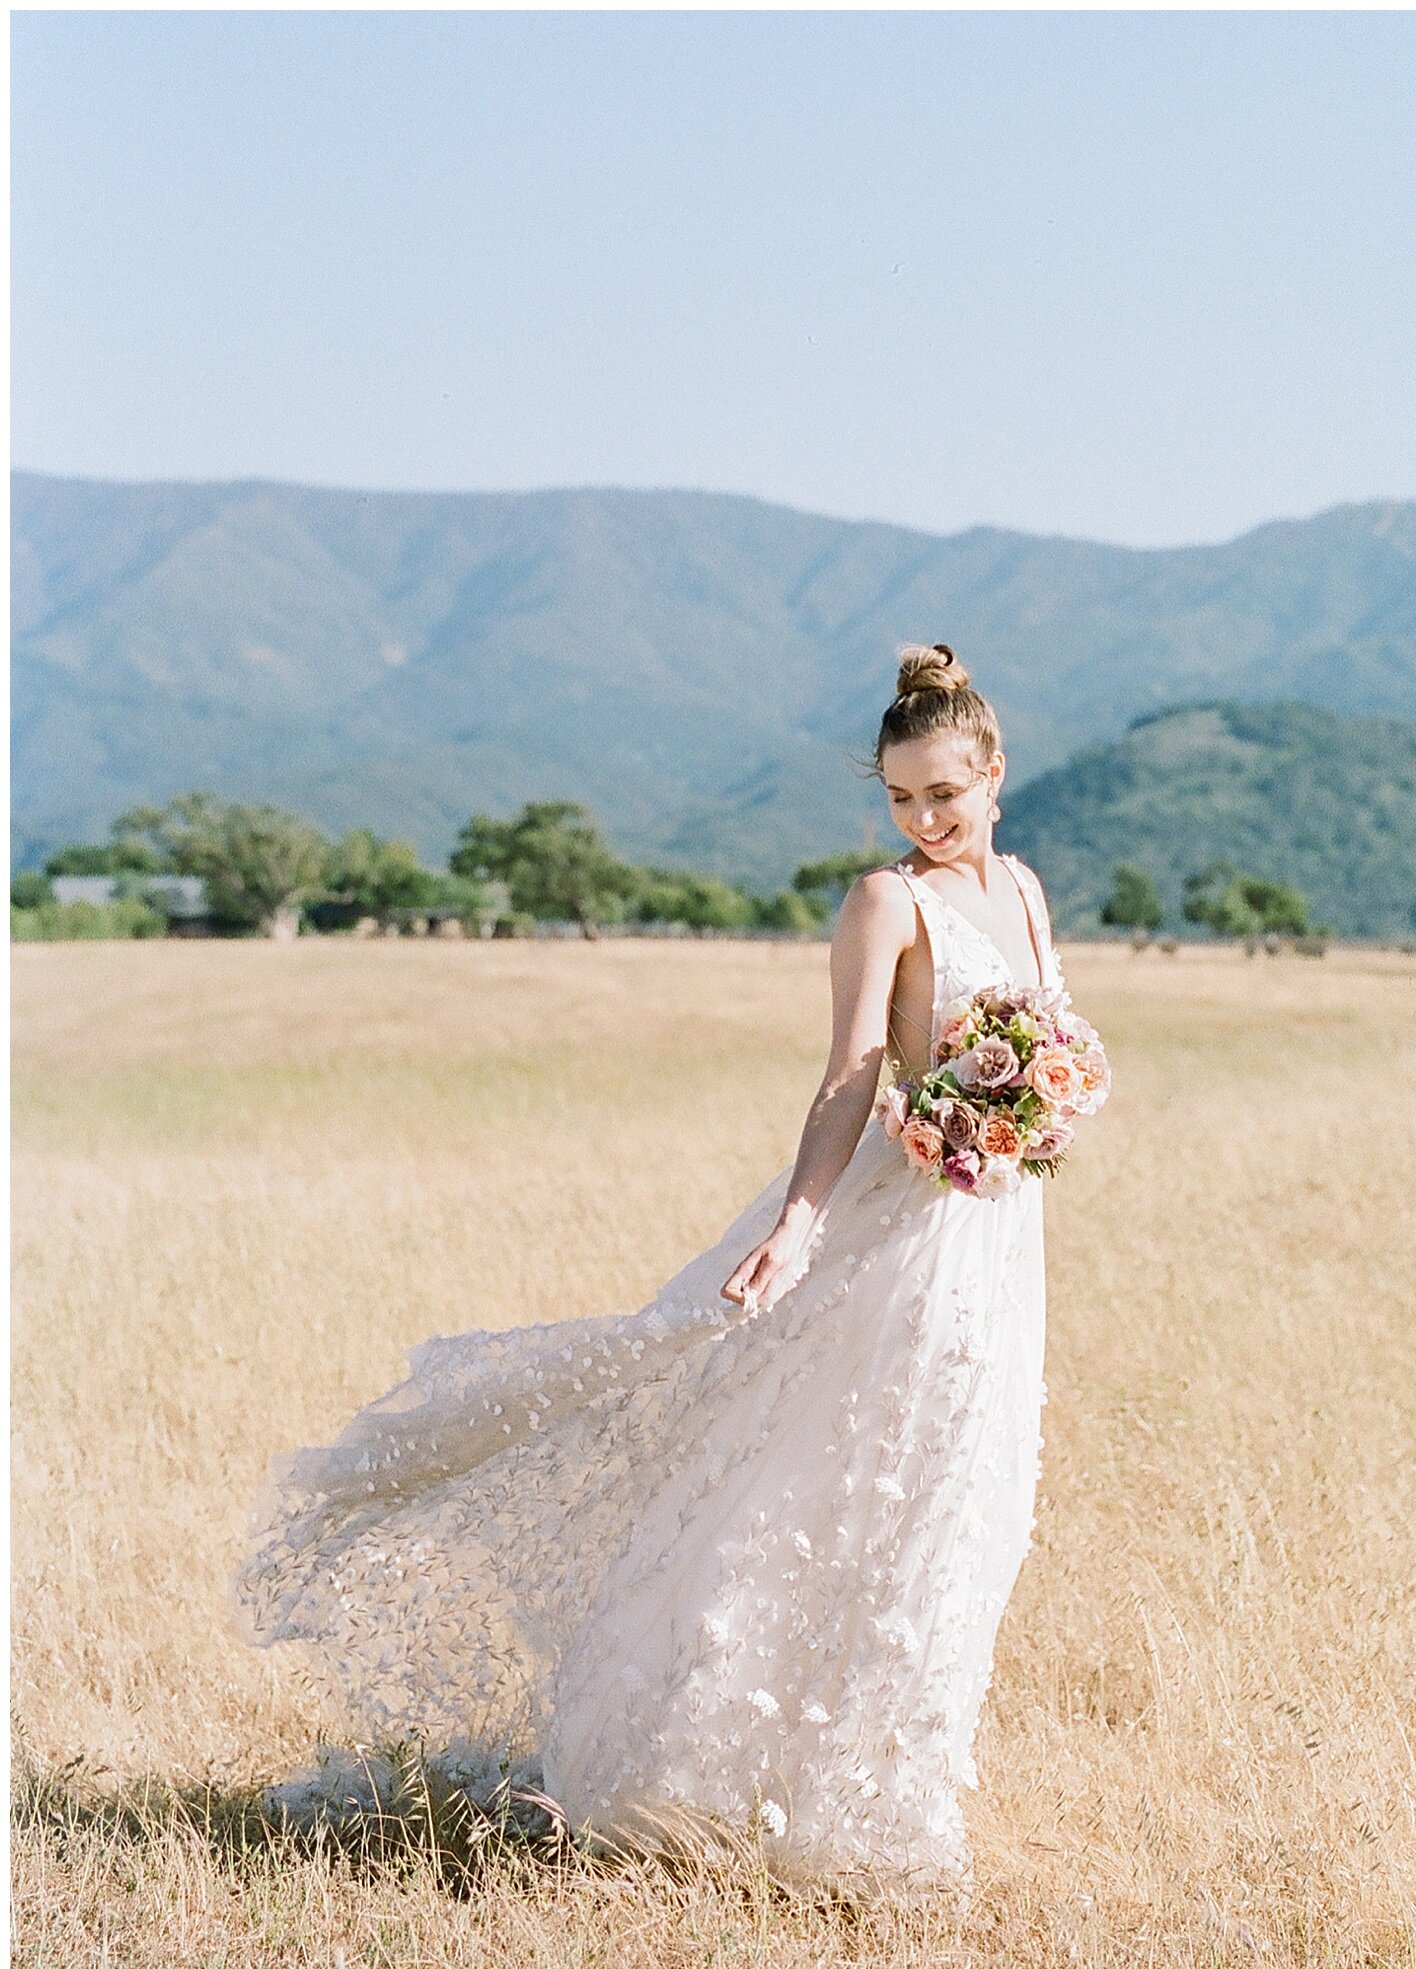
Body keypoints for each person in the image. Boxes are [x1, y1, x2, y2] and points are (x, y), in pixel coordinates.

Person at [230, 642, 1067, 1895]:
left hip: (998, 1234)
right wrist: (795, 1223)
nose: (922, 819)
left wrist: (1038, 1110)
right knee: (839, 1485)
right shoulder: (886, 904)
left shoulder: (1030, 891)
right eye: (900, 798)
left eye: (943, 794)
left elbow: (1046, 1034)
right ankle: (696, 1783)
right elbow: (850, 1078)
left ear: (994, 772)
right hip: (900, 1231)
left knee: (961, 1504)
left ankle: (885, 1803)